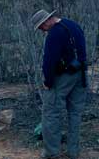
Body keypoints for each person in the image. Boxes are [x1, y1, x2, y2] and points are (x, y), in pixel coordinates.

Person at [30, 9, 87, 159]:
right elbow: (82, 51)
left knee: (51, 113)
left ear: (47, 20)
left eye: (41, 26)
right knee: (75, 113)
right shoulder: (73, 25)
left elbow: (49, 61)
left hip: (62, 77)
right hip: (80, 74)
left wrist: (48, 81)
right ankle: (73, 151)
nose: (42, 30)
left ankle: (51, 152)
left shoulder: (54, 33)